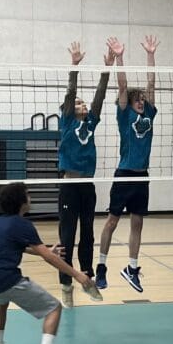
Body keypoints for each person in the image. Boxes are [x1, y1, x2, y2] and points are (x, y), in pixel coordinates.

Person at [0, 182, 102, 344]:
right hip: (6, 280)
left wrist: (44, 251)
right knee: (54, 308)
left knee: (1, 301)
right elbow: (49, 258)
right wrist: (78, 275)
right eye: (28, 194)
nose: (30, 197)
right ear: (21, 202)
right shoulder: (24, 225)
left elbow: (17, 246)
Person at [95, 35, 158, 292]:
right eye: (137, 99)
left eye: (142, 99)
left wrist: (150, 54)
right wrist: (120, 57)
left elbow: (152, 83)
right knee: (112, 222)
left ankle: (132, 269)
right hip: (124, 175)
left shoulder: (150, 113)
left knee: (138, 223)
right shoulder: (125, 115)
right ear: (130, 104)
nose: (141, 101)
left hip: (142, 177)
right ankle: (101, 266)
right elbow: (122, 87)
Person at [57, 41, 114, 308]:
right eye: (78, 103)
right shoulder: (67, 120)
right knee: (67, 236)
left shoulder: (90, 121)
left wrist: (107, 69)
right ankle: (66, 285)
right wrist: (74, 67)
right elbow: (70, 94)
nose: (81, 104)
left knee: (88, 234)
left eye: (82, 103)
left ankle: (87, 278)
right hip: (69, 185)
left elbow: (100, 97)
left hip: (87, 187)